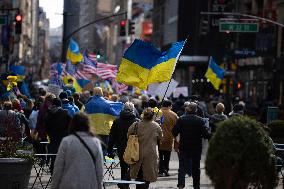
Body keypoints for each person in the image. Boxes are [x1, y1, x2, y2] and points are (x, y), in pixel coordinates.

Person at [51, 112, 103, 189]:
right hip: (89, 184)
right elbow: (99, 168)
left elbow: (58, 168)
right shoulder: (95, 142)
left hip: (68, 184)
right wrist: (99, 186)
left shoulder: (66, 141)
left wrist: (54, 186)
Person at [172, 102, 211, 189]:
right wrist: (208, 130)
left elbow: (174, 132)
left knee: (182, 166)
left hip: (184, 146)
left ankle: (181, 184)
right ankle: (196, 186)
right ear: (196, 110)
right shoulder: (200, 120)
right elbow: (206, 135)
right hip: (196, 147)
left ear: (187, 109)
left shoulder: (181, 119)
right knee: (196, 167)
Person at [128, 107, 163, 189]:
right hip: (150, 154)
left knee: (138, 176)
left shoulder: (136, 125)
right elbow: (160, 137)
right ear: (152, 116)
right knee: (147, 177)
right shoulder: (156, 126)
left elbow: (128, 135)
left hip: (136, 153)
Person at [107, 102, 140, 189]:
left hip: (120, 147)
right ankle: (125, 183)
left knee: (123, 166)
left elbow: (112, 137)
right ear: (133, 110)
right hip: (133, 148)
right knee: (133, 166)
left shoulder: (117, 121)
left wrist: (109, 150)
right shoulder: (137, 122)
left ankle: (124, 183)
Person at [85, 87, 123, 156]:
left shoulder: (87, 105)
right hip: (104, 131)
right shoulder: (107, 104)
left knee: (92, 150)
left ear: (93, 93)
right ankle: (101, 165)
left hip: (91, 131)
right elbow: (116, 114)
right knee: (103, 149)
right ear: (101, 93)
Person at [45, 98, 72, 173]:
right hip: (63, 137)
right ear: (60, 104)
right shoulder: (65, 112)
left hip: (52, 137)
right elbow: (71, 124)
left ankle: (53, 169)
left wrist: (49, 133)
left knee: (54, 154)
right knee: (63, 155)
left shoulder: (48, 113)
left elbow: (46, 125)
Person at [158, 99, 178, 177]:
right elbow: (177, 126)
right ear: (169, 106)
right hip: (169, 137)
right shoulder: (174, 115)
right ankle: (166, 169)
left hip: (158, 137)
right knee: (167, 155)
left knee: (159, 155)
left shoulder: (157, 113)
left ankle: (160, 171)